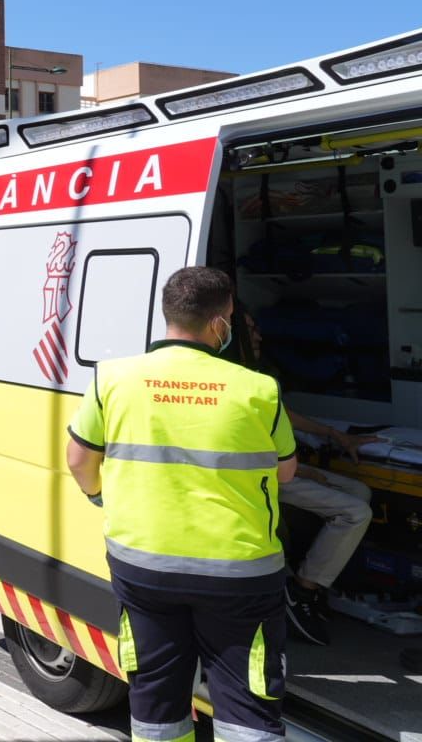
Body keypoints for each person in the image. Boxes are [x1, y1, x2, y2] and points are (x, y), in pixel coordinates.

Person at [66, 266, 297, 742]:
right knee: (247, 701)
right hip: (239, 575)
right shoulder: (259, 388)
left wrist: (100, 497)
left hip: (144, 567)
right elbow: (285, 471)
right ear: (220, 322)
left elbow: (78, 460)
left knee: (155, 696)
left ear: (169, 315)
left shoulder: (112, 378)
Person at [238, 311, 376, 646]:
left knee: (360, 490)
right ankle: (301, 590)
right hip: (263, 479)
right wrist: (308, 471)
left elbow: (284, 415)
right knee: (356, 512)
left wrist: (334, 434)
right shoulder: (235, 380)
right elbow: (255, 456)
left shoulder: (256, 375)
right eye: (251, 330)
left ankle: (312, 575)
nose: (258, 337)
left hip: (282, 469)